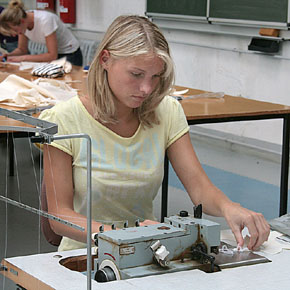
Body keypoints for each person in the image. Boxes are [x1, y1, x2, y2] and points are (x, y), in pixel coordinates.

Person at [38, 15, 270, 252]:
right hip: (83, 256)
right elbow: (59, 216)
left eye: (155, 77)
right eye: (136, 74)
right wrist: (124, 236)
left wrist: (229, 207)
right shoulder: (64, 120)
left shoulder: (166, 112)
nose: (147, 89)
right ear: (105, 59)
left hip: (144, 250)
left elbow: (200, 188)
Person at [0, 0, 82, 66]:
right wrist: (9, 56)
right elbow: (22, 49)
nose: (15, 35)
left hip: (70, 53)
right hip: (55, 53)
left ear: (22, 21)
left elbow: (52, 56)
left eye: (15, 31)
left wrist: (22, 58)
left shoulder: (45, 20)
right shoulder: (23, 23)